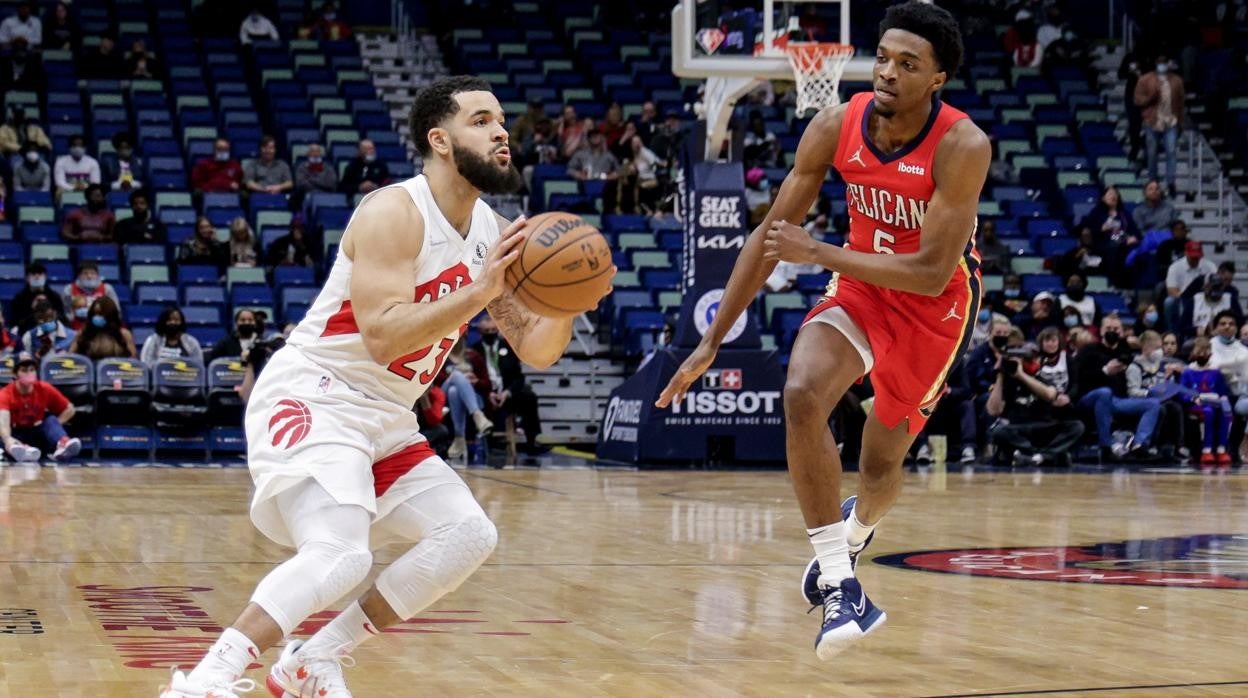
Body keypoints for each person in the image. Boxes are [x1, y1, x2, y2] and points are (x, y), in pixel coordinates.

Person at [159, 75, 611, 698]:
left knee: (469, 535)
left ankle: (313, 660)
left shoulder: (492, 232)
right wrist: (482, 291)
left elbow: (536, 350)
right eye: (481, 120)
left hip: (386, 418)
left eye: (501, 120)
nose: (501, 131)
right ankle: (207, 678)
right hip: (318, 393)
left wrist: (568, 300)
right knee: (341, 554)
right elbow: (381, 335)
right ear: (440, 140)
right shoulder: (394, 211)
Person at [657, 2, 986, 659]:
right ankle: (843, 584)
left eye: (908, 64)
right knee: (803, 393)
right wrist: (710, 340)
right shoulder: (837, 123)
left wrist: (824, 254)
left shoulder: (962, 145)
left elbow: (927, 271)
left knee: (881, 462)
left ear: (937, 79)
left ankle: (858, 531)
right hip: (862, 291)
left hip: (935, 308)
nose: (888, 72)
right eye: (884, 58)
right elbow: (769, 237)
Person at [986, 327, 1084, 467]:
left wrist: (1022, 375)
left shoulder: (1041, 374)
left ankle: (1032, 456)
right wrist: (1000, 376)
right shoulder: (1008, 380)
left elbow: (1050, 395)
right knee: (998, 432)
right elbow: (993, 410)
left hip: (1044, 426)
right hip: (1019, 428)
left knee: (1077, 426)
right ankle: (1044, 456)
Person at [1071, 314, 1160, 460]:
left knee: (1153, 403)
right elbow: (1078, 378)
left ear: (1122, 331)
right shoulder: (1088, 350)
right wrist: (1104, 371)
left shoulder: (1124, 349)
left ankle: (1139, 444)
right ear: (1101, 331)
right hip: (1090, 397)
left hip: (1119, 400)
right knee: (1105, 392)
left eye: (1116, 328)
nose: (1112, 331)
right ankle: (1106, 447)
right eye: (1108, 328)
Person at [472, 315, 548, 456]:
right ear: (480, 332)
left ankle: (533, 441)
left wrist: (507, 393)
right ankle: (486, 444)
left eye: (493, 330)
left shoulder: (508, 347)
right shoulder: (473, 351)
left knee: (528, 396)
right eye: (487, 331)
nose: (490, 334)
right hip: (486, 394)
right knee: (473, 398)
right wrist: (488, 393)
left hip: (506, 395)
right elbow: (473, 379)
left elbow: (518, 378)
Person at [0, 356, 82, 463]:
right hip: (15, 433)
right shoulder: (5, 394)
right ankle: (19, 449)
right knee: (3, 435)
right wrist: (7, 439)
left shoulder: (45, 388)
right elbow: (3, 421)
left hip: (37, 433)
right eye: (24, 370)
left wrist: (55, 426)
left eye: (32, 370)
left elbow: (69, 409)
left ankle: (62, 444)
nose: (29, 373)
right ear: (15, 374)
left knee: (50, 419)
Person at [1134, 55, 1184, 195]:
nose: (1162, 65)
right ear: (1155, 64)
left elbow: (1180, 103)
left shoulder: (1176, 81)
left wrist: (1180, 122)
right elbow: (1137, 100)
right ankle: (1152, 181)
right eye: (1159, 63)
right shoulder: (1145, 79)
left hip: (1171, 121)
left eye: (1164, 63)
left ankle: (1170, 182)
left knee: (1171, 151)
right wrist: (1151, 98)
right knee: (1151, 153)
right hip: (1152, 121)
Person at [1181, 337, 1234, 470]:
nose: (1203, 355)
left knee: (1225, 413)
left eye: (1206, 352)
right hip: (1197, 403)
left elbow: (1222, 391)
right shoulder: (1188, 372)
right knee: (1208, 412)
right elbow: (1182, 392)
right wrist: (1193, 399)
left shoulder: (1215, 372)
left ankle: (1222, 449)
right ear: (1193, 353)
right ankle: (1207, 450)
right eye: (1200, 351)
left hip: (1214, 401)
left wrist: (1223, 399)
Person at [437, 337, 494, 459]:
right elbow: (436, 380)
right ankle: (477, 415)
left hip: (471, 397)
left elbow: (488, 384)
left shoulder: (474, 356)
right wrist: (456, 378)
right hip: (443, 395)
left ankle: (459, 438)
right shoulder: (440, 355)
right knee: (456, 377)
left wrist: (475, 381)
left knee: (455, 392)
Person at [1164, 240, 1216, 333]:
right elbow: (1171, 290)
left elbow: (1216, 285)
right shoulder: (1175, 267)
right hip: (1183, 297)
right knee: (1169, 302)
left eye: (1197, 257)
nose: (1195, 260)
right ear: (1186, 253)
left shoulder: (1210, 266)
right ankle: (1172, 331)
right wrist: (1187, 299)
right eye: (1193, 257)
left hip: (1205, 298)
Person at [67, 296, 136, 360]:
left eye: (100, 314)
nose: (96, 317)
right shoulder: (83, 333)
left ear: (110, 315)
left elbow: (132, 360)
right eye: (95, 314)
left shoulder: (124, 334)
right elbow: (70, 357)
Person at [11, 263, 63, 331]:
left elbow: (62, 319)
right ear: (27, 278)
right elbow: (16, 323)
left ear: (45, 276)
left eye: (40, 273)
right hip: (27, 332)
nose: (37, 276)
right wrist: (32, 309)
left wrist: (48, 311)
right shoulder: (19, 298)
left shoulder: (54, 297)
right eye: (33, 273)